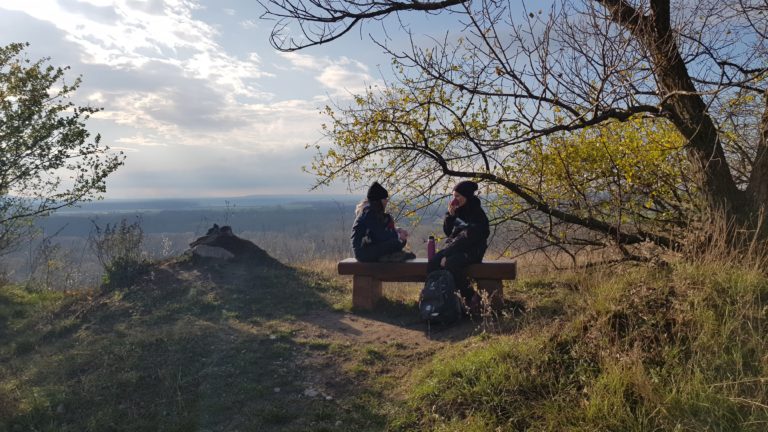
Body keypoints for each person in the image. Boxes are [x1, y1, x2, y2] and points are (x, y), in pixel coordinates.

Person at [427, 180, 490, 310]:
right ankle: (436, 297)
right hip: (456, 248)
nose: (454, 199)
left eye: (457, 196)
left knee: (451, 263)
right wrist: (450, 216)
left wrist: (447, 253)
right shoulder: (459, 211)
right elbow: (449, 232)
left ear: (466, 196)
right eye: (453, 196)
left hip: (473, 250)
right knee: (434, 262)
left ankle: (471, 296)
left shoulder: (476, 214)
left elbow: (467, 237)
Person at [351, 181, 414, 262]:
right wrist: (398, 236)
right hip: (363, 253)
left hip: (368, 248)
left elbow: (381, 229)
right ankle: (391, 257)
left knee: (396, 242)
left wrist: (398, 230)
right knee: (395, 243)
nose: (386, 201)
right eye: (384, 199)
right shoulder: (369, 214)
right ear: (378, 200)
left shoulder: (372, 212)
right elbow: (381, 235)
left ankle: (391, 256)